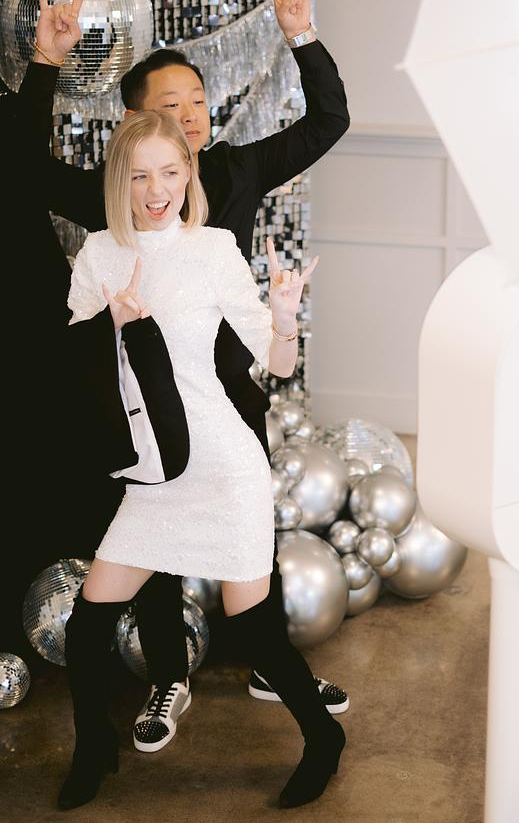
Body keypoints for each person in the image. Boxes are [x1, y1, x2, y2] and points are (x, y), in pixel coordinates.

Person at [22, 0, 350, 749]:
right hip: (143, 408)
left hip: (228, 393)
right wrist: (45, 62)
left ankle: (268, 663)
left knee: (250, 549)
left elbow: (327, 122)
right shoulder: (112, 203)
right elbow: (22, 168)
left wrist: (300, 33)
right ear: (134, 124)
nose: (190, 117)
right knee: (152, 553)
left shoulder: (238, 168)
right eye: (169, 107)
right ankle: (167, 676)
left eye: (198, 102)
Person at [59, 109, 345, 811]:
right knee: (88, 623)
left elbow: (276, 364)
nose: (157, 190)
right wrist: (113, 323)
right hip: (154, 471)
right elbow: (70, 366)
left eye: (170, 172)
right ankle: (94, 747)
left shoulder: (213, 248)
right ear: (119, 182)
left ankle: (322, 737)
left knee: (253, 626)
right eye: (140, 176)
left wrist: (284, 318)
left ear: (189, 173)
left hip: (221, 462)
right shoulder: (97, 255)